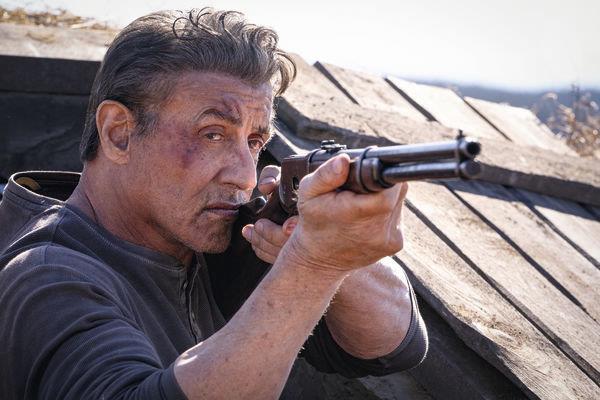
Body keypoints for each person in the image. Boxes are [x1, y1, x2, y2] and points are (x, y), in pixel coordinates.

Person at [0, 8, 427, 400]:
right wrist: (313, 265)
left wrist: (337, 256)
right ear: (119, 134)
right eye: (213, 134)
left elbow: (391, 346)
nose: (245, 176)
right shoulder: (47, 276)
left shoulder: (203, 239)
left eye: (254, 141)